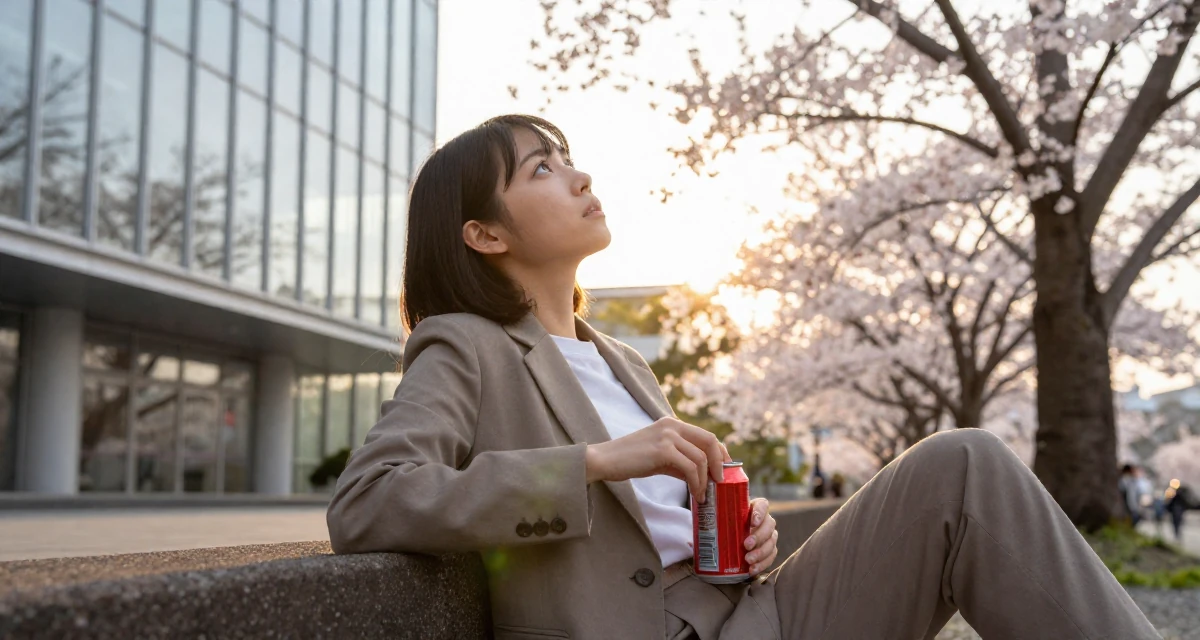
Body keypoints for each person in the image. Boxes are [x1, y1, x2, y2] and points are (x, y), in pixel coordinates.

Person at [326, 115, 1159, 639]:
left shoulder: (622, 361)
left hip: (755, 611)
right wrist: (594, 463)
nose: (579, 176)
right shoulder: (465, 344)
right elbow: (368, 502)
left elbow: (663, 518)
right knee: (964, 460)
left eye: (569, 158)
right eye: (540, 168)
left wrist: (741, 537)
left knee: (961, 465)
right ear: (483, 235)